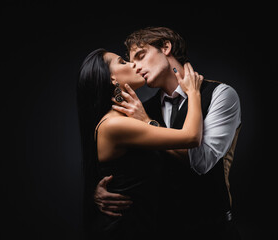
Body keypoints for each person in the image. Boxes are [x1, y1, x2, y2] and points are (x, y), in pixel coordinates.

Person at [94, 27, 242, 240]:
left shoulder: (221, 95)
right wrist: (99, 192)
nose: (135, 66)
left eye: (141, 56)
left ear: (166, 47)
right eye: (130, 61)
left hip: (213, 229)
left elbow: (202, 161)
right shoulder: (140, 110)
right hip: (161, 229)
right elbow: (124, 166)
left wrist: (148, 122)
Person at [77, 48, 203, 239]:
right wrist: (193, 92)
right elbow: (192, 137)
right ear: (112, 79)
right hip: (122, 231)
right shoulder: (115, 125)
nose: (133, 64)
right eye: (122, 62)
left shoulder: (126, 118)